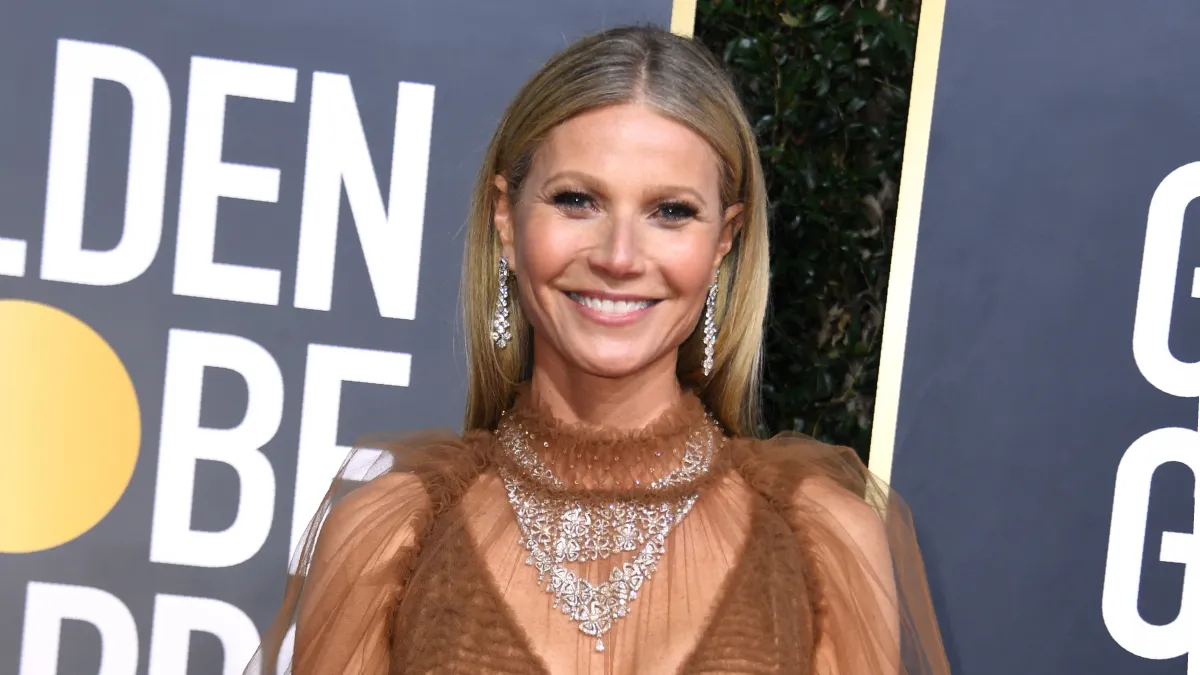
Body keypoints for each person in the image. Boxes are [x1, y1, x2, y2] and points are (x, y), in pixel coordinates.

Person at [246, 24, 950, 675]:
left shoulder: (823, 540)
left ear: (723, 242)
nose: (619, 256)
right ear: (507, 219)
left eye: (671, 212)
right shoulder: (390, 531)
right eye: (577, 199)